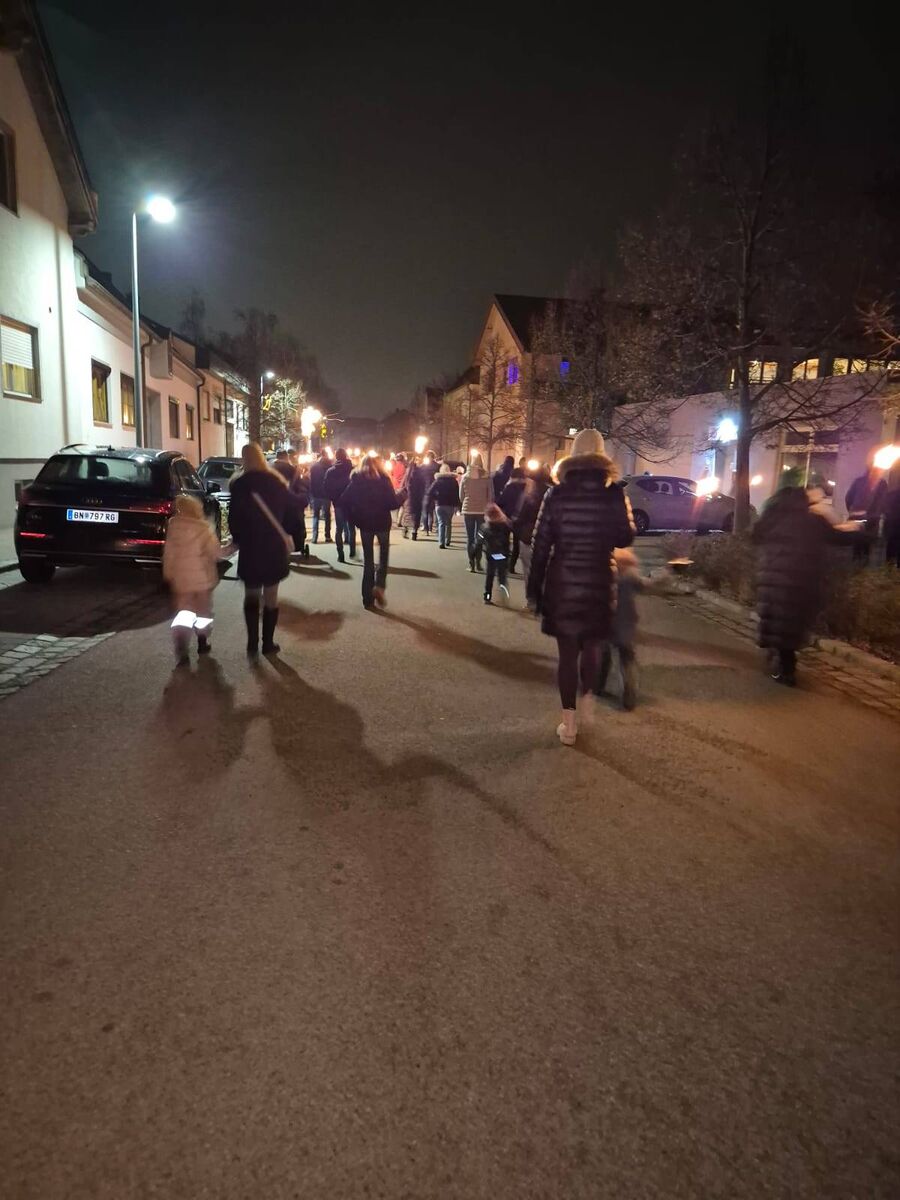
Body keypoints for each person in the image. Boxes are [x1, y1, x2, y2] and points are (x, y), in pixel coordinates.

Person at [527, 428, 634, 746]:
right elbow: (625, 538)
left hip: (563, 582)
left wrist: (534, 588)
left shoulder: (556, 495)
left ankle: (569, 724)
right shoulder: (614, 494)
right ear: (602, 456)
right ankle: (588, 698)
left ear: (572, 457)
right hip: (600, 579)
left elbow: (540, 544)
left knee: (567, 653)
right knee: (593, 646)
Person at [752, 485, 859, 686]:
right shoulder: (812, 521)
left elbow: (754, 537)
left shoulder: (770, 520)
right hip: (801, 582)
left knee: (775, 620)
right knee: (791, 623)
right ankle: (786, 665)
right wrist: (861, 531)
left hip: (772, 580)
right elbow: (839, 538)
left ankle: (780, 660)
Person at [228, 442, 292, 656]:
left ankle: (252, 642)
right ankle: (268, 643)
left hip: (251, 546)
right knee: (271, 596)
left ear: (244, 459)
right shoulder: (276, 481)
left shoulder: (239, 485)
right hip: (273, 545)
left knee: (252, 595)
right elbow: (288, 512)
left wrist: (238, 539)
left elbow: (234, 518)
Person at [162, 495, 224, 665]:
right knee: (203, 613)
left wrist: (169, 572)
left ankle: (181, 646)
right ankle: (202, 642)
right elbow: (216, 553)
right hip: (203, 579)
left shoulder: (174, 528)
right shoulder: (204, 529)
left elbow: (169, 554)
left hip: (181, 579)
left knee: (184, 613)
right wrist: (231, 548)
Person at [341, 454, 405, 609]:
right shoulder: (383, 480)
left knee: (368, 561)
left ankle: (367, 598)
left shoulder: (356, 481)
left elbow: (344, 501)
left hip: (365, 524)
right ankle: (379, 586)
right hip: (382, 523)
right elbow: (392, 503)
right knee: (383, 557)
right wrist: (402, 495)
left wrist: (354, 520)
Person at [594, 548, 643, 710]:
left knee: (602, 656)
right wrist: (667, 573)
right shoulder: (631, 576)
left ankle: (597, 686)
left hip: (605, 623)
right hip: (625, 625)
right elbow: (647, 585)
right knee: (627, 660)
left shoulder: (601, 574)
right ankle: (629, 696)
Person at [846, 459, 887, 562]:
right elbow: (882, 500)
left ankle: (856, 561)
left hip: (857, 515)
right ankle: (863, 562)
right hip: (871, 517)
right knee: (867, 542)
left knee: (857, 540)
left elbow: (848, 497)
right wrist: (879, 512)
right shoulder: (882, 483)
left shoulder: (858, 481)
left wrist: (851, 510)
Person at [460, 453, 492, 571]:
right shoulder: (487, 477)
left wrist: (466, 502)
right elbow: (491, 495)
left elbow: (461, 495)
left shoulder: (465, 477)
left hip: (468, 510)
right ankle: (478, 562)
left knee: (470, 538)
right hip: (481, 511)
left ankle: (471, 563)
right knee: (479, 537)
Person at [324, 448, 356, 562]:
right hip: (351, 503)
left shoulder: (331, 471)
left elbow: (326, 487)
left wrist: (333, 498)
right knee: (351, 528)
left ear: (336, 457)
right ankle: (352, 550)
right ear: (346, 456)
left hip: (338, 503)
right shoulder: (353, 470)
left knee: (339, 529)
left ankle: (340, 554)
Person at [478, 503, 512, 604]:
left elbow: (479, 541)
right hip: (502, 554)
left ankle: (487, 597)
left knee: (490, 576)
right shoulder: (506, 525)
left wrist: (473, 552)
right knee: (502, 577)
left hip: (491, 555)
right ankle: (504, 595)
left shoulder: (485, 527)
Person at [498, 467, 527, 572]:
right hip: (520, 519)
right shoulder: (526, 488)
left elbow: (500, 502)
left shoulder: (509, 487)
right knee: (516, 544)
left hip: (507, 518)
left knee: (505, 543)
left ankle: (503, 563)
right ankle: (512, 566)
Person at [428, 463, 461, 548]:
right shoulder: (454, 481)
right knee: (448, 523)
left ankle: (441, 542)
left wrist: (436, 498)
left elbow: (430, 492)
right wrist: (457, 505)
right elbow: (457, 494)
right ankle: (448, 541)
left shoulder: (437, 481)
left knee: (441, 523)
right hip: (450, 505)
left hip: (439, 504)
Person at [402, 455, 429, 539]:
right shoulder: (421, 474)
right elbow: (424, 485)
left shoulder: (408, 473)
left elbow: (403, 485)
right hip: (418, 497)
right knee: (417, 514)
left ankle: (405, 529)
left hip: (409, 497)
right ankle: (414, 531)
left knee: (407, 513)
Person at [309, 451, 333, 544]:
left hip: (316, 495)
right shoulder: (330, 466)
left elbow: (311, 481)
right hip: (326, 495)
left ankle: (315, 537)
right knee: (327, 515)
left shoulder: (314, 467)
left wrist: (311, 494)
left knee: (316, 515)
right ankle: (327, 536)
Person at [419, 453, 439, 534]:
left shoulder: (423, 466)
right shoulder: (437, 466)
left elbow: (420, 477)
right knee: (432, 510)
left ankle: (426, 528)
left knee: (425, 510)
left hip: (426, 491)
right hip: (435, 491)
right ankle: (430, 528)